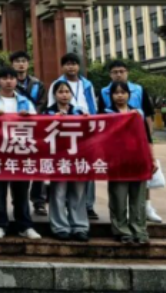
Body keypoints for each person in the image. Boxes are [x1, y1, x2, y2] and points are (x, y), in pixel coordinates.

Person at [99, 61, 162, 223]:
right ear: (110, 74)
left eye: (121, 71)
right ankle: (122, 214)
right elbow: (99, 118)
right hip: (116, 145)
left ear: (127, 72)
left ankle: (147, 207)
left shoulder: (139, 89)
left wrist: (148, 137)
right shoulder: (104, 92)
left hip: (136, 141)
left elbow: (147, 115)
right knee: (119, 182)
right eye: (115, 72)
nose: (118, 74)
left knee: (142, 178)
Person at [0, 68, 41, 241]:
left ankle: (25, 225)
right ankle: (0, 224)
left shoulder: (25, 102)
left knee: (21, 191)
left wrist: (28, 118)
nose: (9, 81)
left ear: (16, 81)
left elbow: (38, 125)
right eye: (4, 78)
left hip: (20, 152)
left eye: (12, 78)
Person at [48, 53, 100, 220]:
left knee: (86, 168)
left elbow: (92, 105)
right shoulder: (56, 83)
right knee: (63, 169)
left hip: (84, 130)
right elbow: (50, 106)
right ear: (62, 66)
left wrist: (93, 124)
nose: (71, 67)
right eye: (67, 64)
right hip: (63, 131)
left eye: (74, 64)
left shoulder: (87, 84)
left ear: (79, 66)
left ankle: (88, 205)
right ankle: (63, 207)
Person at [105, 82, 157, 245]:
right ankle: (121, 231)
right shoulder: (106, 114)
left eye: (123, 92)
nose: (120, 96)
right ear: (111, 96)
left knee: (138, 198)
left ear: (129, 94)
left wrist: (152, 158)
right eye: (116, 93)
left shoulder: (137, 113)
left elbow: (147, 138)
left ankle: (139, 230)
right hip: (117, 162)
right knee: (118, 198)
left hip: (138, 160)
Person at [44, 81, 89, 242]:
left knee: (79, 192)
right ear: (54, 95)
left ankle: (80, 226)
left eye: (67, 91)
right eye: (60, 92)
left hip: (78, 158)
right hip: (58, 159)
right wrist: (52, 120)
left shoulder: (80, 112)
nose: (64, 95)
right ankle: (60, 227)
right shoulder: (47, 113)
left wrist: (86, 120)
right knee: (58, 192)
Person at [11, 51, 48, 216]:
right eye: (17, 61)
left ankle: (39, 201)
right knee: (17, 166)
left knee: (38, 164)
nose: (21, 64)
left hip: (34, 127)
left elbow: (43, 102)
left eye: (23, 61)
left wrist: (32, 114)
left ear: (28, 63)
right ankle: (18, 200)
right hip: (14, 129)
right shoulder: (8, 82)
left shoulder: (37, 83)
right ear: (12, 64)